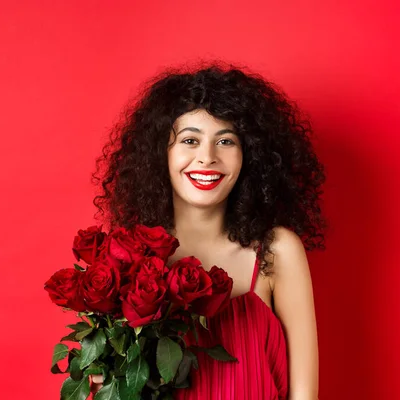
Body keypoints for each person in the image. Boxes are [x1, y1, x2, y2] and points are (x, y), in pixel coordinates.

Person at [89, 61, 326, 399]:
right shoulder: (130, 256)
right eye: (189, 140)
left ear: (250, 156)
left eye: (226, 141)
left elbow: (305, 396)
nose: (207, 158)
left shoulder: (277, 250)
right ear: (161, 153)